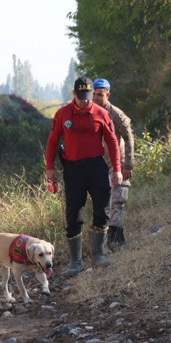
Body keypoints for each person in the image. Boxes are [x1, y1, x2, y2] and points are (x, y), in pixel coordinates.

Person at [45, 77, 123, 277]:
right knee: (74, 213)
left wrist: (117, 169)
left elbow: (112, 142)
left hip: (96, 166)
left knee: (102, 208)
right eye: (81, 98)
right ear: (74, 95)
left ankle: (98, 254)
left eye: (88, 97)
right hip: (73, 168)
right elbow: (53, 142)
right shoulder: (62, 114)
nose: (86, 101)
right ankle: (76, 261)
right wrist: (50, 168)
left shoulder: (102, 114)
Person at [92, 78, 135, 248]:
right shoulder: (91, 112)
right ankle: (104, 239)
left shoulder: (116, 114)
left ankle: (116, 238)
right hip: (99, 164)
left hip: (118, 163)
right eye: (94, 94)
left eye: (100, 95)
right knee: (103, 201)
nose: (96, 98)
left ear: (107, 95)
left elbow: (128, 138)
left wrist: (128, 165)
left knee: (117, 199)